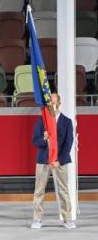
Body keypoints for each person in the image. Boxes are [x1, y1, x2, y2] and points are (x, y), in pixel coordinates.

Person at [31, 93, 75, 230]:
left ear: (59, 103)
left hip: (59, 162)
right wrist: (44, 138)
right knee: (39, 191)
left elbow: (68, 143)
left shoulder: (67, 122)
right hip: (43, 161)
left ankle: (67, 219)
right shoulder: (41, 121)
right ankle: (37, 219)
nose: (52, 105)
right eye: (50, 103)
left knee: (63, 190)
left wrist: (60, 160)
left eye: (54, 103)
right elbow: (35, 141)